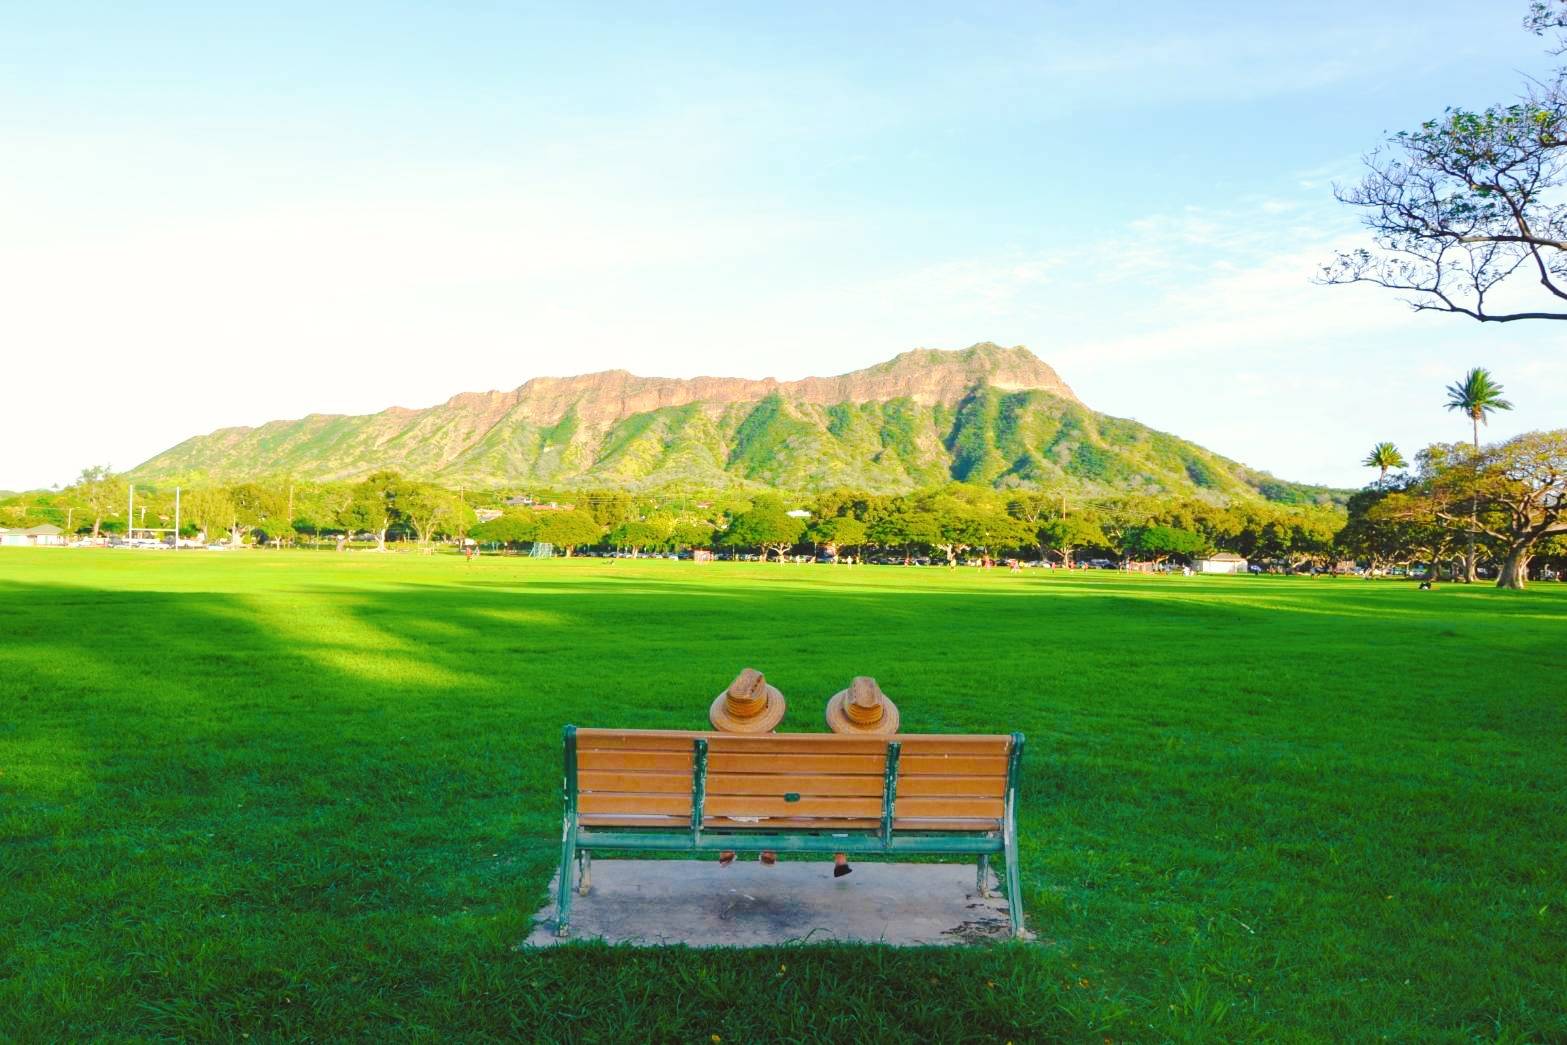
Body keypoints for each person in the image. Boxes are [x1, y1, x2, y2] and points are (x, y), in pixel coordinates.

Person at [823, 676, 901, 878]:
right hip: (878, 808)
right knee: (842, 800)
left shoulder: (834, 751)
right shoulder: (889, 748)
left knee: (836, 801)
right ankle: (840, 858)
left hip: (841, 808)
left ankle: (840, 857)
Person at [708, 668, 787, 867]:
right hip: (767, 805)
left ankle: (726, 847)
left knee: (718, 791)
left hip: (728, 804)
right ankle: (769, 848)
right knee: (777, 791)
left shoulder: (721, 741)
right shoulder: (774, 741)